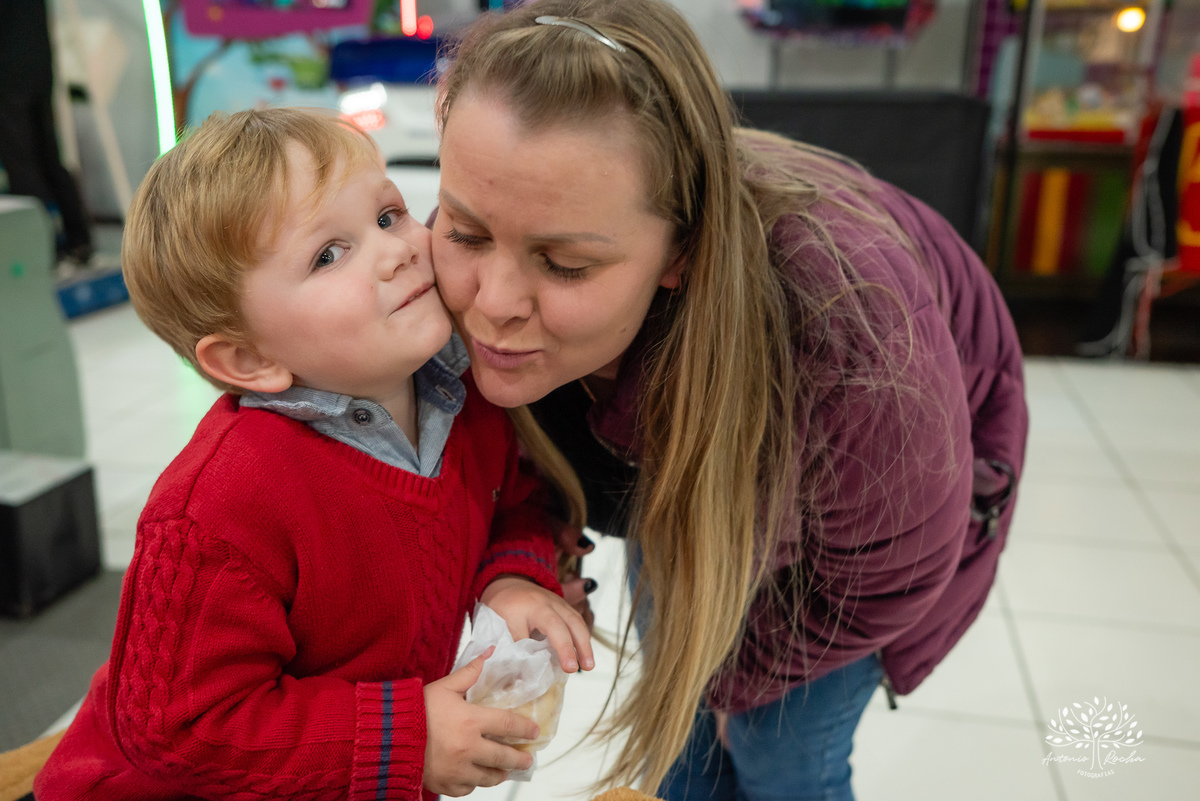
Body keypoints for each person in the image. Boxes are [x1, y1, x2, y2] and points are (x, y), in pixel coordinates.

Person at [428, 1, 1028, 799]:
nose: (490, 303)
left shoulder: (853, 339)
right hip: (700, 449)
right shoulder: (470, 247)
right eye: (465, 232)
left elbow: (893, 571)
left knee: (778, 755)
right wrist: (543, 553)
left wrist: (734, 683)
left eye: (565, 264)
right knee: (682, 745)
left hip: (861, 524)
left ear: (681, 251)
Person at [34, 107, 592, 801]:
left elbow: (520, 496)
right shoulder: (223, 501)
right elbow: (175, 726)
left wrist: (513, 577)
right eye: (330, 254)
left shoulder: (463, 394)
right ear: (249, 356)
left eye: (388, 215)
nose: (396, 250)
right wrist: (406, 740)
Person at [0, 0, 93, 264]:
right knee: (49, 156)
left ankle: (43, 250)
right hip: (39, 70)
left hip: (8, 76)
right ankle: (79, 239)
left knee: (22, 168)